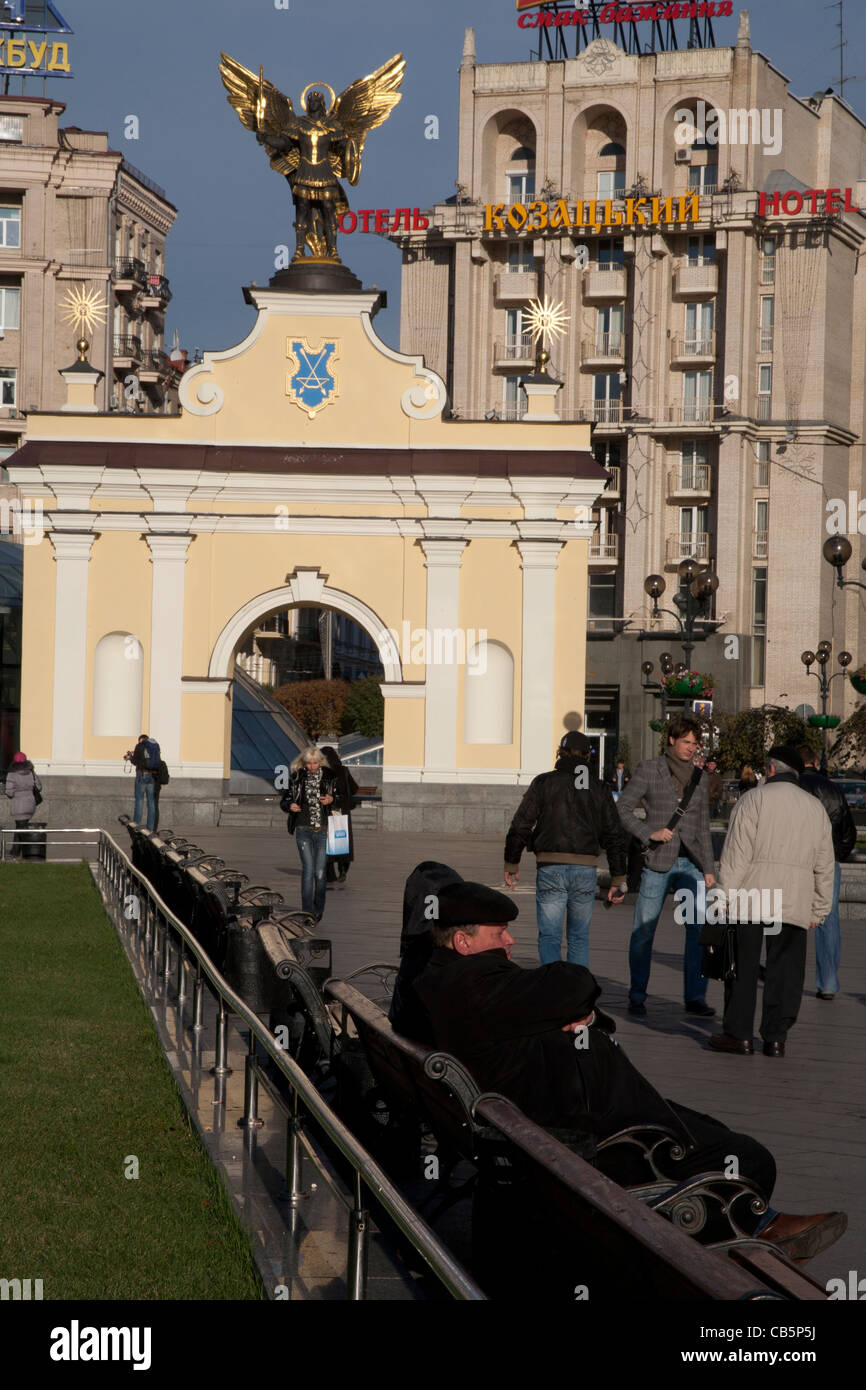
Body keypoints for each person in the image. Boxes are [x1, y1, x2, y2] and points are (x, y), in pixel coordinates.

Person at [407, 877, 846, 1261]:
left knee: (713, 1133)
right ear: (463, 943)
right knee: (748, 1158)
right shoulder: (473, 985)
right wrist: (572, 1005)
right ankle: (747, 1242)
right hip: (590, 1140)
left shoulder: (447, 983)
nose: (510, 942)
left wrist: (585, 1017)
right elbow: (574, 981)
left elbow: (564, 1002)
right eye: (499, 933)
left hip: (549, 1124)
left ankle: (759, 1230)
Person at [710, 746, 835, 1058]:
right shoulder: (814, 808)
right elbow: (825, 864)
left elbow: (736, 857)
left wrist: (723, 897)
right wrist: (819, 908)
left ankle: (739, 1035)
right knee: (786, 971)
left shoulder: (753, 799)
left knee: (742, 968)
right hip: (794, 900)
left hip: (752, 897)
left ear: (769, 769)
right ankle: (776, 1037)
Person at [617, 715, 716, 1016]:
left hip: (693, 864)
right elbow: (622, 809)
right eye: (686, 742)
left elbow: (702, 828)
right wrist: (650, 833)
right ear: (672, 740)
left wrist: (710, 869)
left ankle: (695, 997)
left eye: (695, 743)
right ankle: (637, 994)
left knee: (699, 930)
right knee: (644, 931)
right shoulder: (649, 769)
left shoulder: (700, 778)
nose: (691, 748)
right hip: (658, 860)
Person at [504, 731, 628, 966]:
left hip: (551, 866)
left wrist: (512, 861)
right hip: (585, 868)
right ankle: (577, 995)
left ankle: (554, 993)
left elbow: (522, 823)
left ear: (560, 753)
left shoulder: (544, 782)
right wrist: (618, 877)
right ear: (587, 756)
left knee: (550, 936)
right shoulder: (599, 787)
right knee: (579, 938)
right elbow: (614, 833)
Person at [796, 744, 855, 1000]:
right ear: (816, 763)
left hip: (796, 861)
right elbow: (848, 832)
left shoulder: (793, 788)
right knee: (828, 920)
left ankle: (786, 974)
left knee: (788, 917)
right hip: (828, 862)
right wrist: (835, 855)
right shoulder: (833, 788)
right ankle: (828, 982)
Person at [282, 746, 338, 923]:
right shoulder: (297, 776)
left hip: (322, 828)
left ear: (320, 761)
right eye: (309, 763)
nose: (312, 766)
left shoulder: (329, 776)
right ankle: (307, 910)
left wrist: (332, 799)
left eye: (315, 763)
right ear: (304, 763)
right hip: (303, 828)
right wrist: (290, 805)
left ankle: (318, 909)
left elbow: (343, 796)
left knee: (320, 872)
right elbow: (285, 799)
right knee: (308, 870)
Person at [320, 745, 359, 886]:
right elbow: (354, 788)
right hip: (343, 811)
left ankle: (330, 875)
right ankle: (343, 869)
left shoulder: (322, 772)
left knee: (328, 842)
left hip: (328, 811)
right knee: (342, 839)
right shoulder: (343, 771)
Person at [5, 751, 42, 860]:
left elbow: (9, 792)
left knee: (21, 829)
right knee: (20, 827)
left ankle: (25, 851)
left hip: (18, 806)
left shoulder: (12, 774)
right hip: (30, 804)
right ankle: (15, 851)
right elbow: (39, 787)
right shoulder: (31, 772)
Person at [125, 733, 160, 832]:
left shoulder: (139, 746)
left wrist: (130, 757)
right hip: (152, 776)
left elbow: (136, 761)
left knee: (139, 801)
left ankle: (136, 827)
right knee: (151, 803)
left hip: (142, 775)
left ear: (140, 740)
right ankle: (151, 829)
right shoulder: (154, 746)